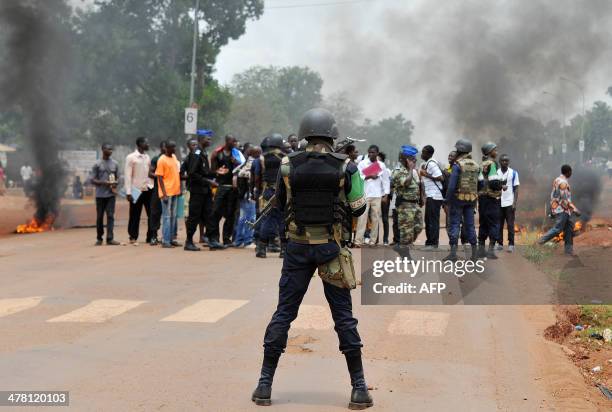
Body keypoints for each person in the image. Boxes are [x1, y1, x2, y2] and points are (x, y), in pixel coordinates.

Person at [252, 108, 372, 409]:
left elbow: (279, 203)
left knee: (284, 313)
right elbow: (358, 208)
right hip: (331, 249)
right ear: (332, 135)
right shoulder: (347, 167)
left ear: (305, 133)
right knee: (343, 318)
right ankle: (359, 389)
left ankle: (264, 386)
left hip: (297, 249)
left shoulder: (287, 165)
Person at [444, 139, 480, 261]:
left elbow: (452, 185)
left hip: (457, 200)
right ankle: (474, 255)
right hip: (472, 200)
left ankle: (453, 254)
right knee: (470, 226)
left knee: (454, 225)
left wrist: (447, 200)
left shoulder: (457, 165)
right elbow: (480, 183)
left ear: (460, 150)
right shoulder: (476, 165)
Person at [254, 134, 286, 258]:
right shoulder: (285, 158)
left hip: (267, 191)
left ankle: (261, 249)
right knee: (282, 219)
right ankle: (283, 250)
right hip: (281, 192)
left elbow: (258, 177)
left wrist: (258, 192)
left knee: (267, 219)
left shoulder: (262, 158)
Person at [538, 165, 580, 256]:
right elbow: (564, 199)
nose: (571, 173)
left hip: (564, 209)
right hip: (561, 209)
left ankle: (568, 251)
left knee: (569, 228)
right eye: (571, 172)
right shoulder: (563, 183)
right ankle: (539, 242)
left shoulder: (557, 179)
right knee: (558, 229)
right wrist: (575, 209)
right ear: (568, 172)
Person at [392, 145, 423, 258]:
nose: (414, 161)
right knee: (406, 231)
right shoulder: (397, 171)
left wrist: (421, 198)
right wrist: (411, 169)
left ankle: (401, 245)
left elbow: (418, 185)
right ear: (405, 160)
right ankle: (406, 255)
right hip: (405, 205)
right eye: (412, 159)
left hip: (414, 204)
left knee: (419, 226)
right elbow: (406, 183)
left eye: (414, 159)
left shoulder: (413, 171)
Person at [355, 145, 390, 246]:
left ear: (377, 153)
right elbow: (358, 177)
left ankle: (372, 241)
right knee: (362, 217)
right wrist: (369, 175)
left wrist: (386, 195)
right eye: (369, 152)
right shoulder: (363, 163)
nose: (371, 154)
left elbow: (385, 181)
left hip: (377, 195)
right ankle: (358, 241)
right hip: (365, 194)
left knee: (375, 218)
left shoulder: (381, 165)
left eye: (373, 152)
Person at [210, 134, 240, 246]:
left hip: (232, 188)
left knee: (230, 214)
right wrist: (218, 171)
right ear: (227, 141)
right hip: (221, 186)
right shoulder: (217, 153)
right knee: (216, 212)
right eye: (233, 141)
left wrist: (235, 162)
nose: (235, 143)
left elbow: (242, 165)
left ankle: (227, 238)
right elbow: (212, 170)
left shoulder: (236, 153)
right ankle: (215, 238)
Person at [124, 136, 154, 245]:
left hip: (148, 189)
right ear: (140, 144)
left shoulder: (147, 157)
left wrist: (152, 185)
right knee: (135, 214)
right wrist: (128, 192)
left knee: (151, 213)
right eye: (146, 143)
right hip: (136, 190)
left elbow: (150, 174)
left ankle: (150, 237)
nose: (148, 144)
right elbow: (127, 175)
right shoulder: (131, 157)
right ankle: (133, 236)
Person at [91, 143, 120, 246]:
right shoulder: (97, 164)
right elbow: (93, 180)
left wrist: (115, 183)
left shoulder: (115, 164)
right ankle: (99, 238)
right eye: (108, 149)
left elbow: (117, 178)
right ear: (103, 150)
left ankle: (110, 238)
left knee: (110, 216)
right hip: (100, 195)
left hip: (110, 195)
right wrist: (104, 183)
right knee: (99, 217)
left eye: (112, 149)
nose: (110, 151)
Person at [477, 141, 502, 259]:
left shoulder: (481, 164)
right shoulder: (492, 164)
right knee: (494, 223)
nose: (496, 152)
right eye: (494, 150)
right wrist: (501, 186)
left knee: (483, 223)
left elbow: (480, 182)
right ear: (489, 152)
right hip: (491, 199)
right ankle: (491, 251)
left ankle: (480, 250)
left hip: (482, 198)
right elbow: (493, 182)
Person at [155, 140, 182, 248]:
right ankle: (165, 241)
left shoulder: (174, 157)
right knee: (166, 216)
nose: (174, 149)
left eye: (174, 147)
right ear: (166, 148)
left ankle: (171, 239)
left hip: (175, 191)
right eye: (171, 147)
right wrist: (164, 194)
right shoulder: (162, 160)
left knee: (173, 216)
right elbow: (159, 177)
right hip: (167, 193)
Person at [419, 145, 445, 250]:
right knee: (429, 220)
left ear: (429, 154)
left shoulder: (431, 163)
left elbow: (440, 177)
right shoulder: (428, 163)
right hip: (431, 196)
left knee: (432, 221)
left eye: (423, 152)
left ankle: (433, 244)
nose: (422, 154)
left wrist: (426, 175)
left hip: (434, 196)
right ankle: (430, 242)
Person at [232, 145, 257, 248]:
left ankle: (238, 240)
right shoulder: (252, 162)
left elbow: (234, 172)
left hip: (242, 194)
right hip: (249, 194)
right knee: (250, 217)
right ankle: (248, 241)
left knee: (242, 217)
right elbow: (247, 175)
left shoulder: (244, 162)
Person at [496, 154, 519, 253]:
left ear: (508, 162)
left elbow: (516, 188)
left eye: (506, 161)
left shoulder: (513, 173)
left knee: (510, 224)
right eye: (503, 161)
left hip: (509, 202)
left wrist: (514, 203)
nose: (505, 162)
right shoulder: (496, 173)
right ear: (500, 162)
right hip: (498, 202)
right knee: (499, 224)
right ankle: (500, 243)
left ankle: (511, 244)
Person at [148, 141, 166, 246]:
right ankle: (154, 236)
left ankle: (167, 237)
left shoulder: (172, 158)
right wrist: (161, 176)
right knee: (155, 212)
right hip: (157, 188)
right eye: (164, 147)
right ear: (161, 148)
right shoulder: (156, 159)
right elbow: (150, 173)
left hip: (169, 189)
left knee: (168, 214)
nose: (166, 148)